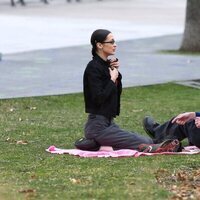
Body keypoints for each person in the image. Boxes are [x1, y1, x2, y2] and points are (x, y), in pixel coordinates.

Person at [75, 29, 181, 152]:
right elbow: (98, 98)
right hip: (97, 127)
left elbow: (114, 95)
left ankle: (162, 143)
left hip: (108, 123)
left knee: (141, 138)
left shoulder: (106, 66)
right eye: (111, 41)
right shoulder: (93, 67)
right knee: (144, 142)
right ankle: (161, 147)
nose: (115, 44)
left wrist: (116, 76)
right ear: (99, 45)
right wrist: (112, 78)